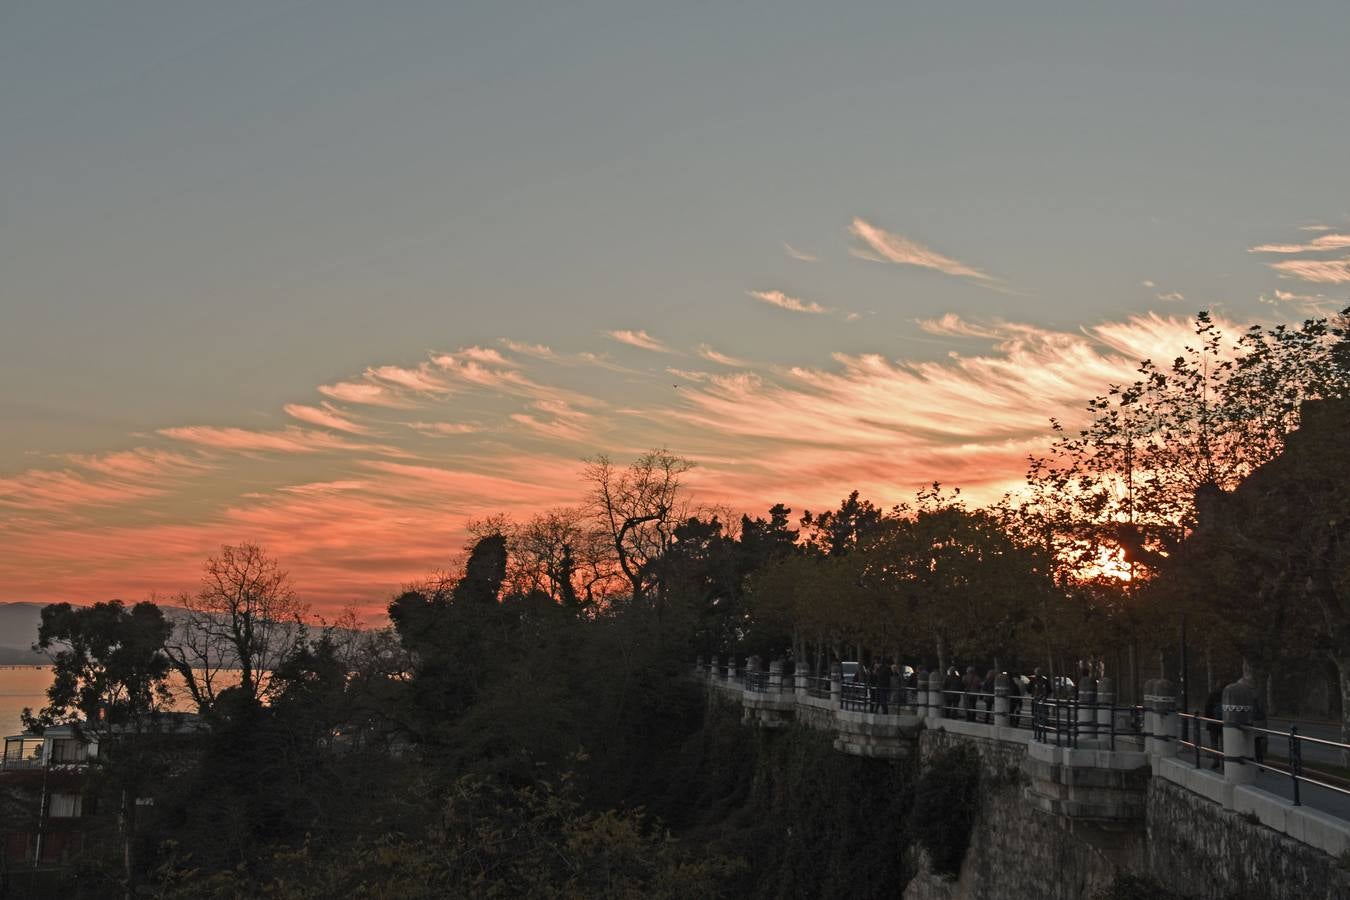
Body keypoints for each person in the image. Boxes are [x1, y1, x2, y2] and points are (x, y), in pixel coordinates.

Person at [1203, 686, 1224, 770]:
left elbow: (1207, 708)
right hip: (1224, 723)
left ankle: (1216, 761)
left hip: (1213, 723)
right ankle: (1224, 762)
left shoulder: (1212, 695)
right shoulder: (1226, 695)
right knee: (1224, 743)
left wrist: (1208, 719)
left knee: (1214, 743)